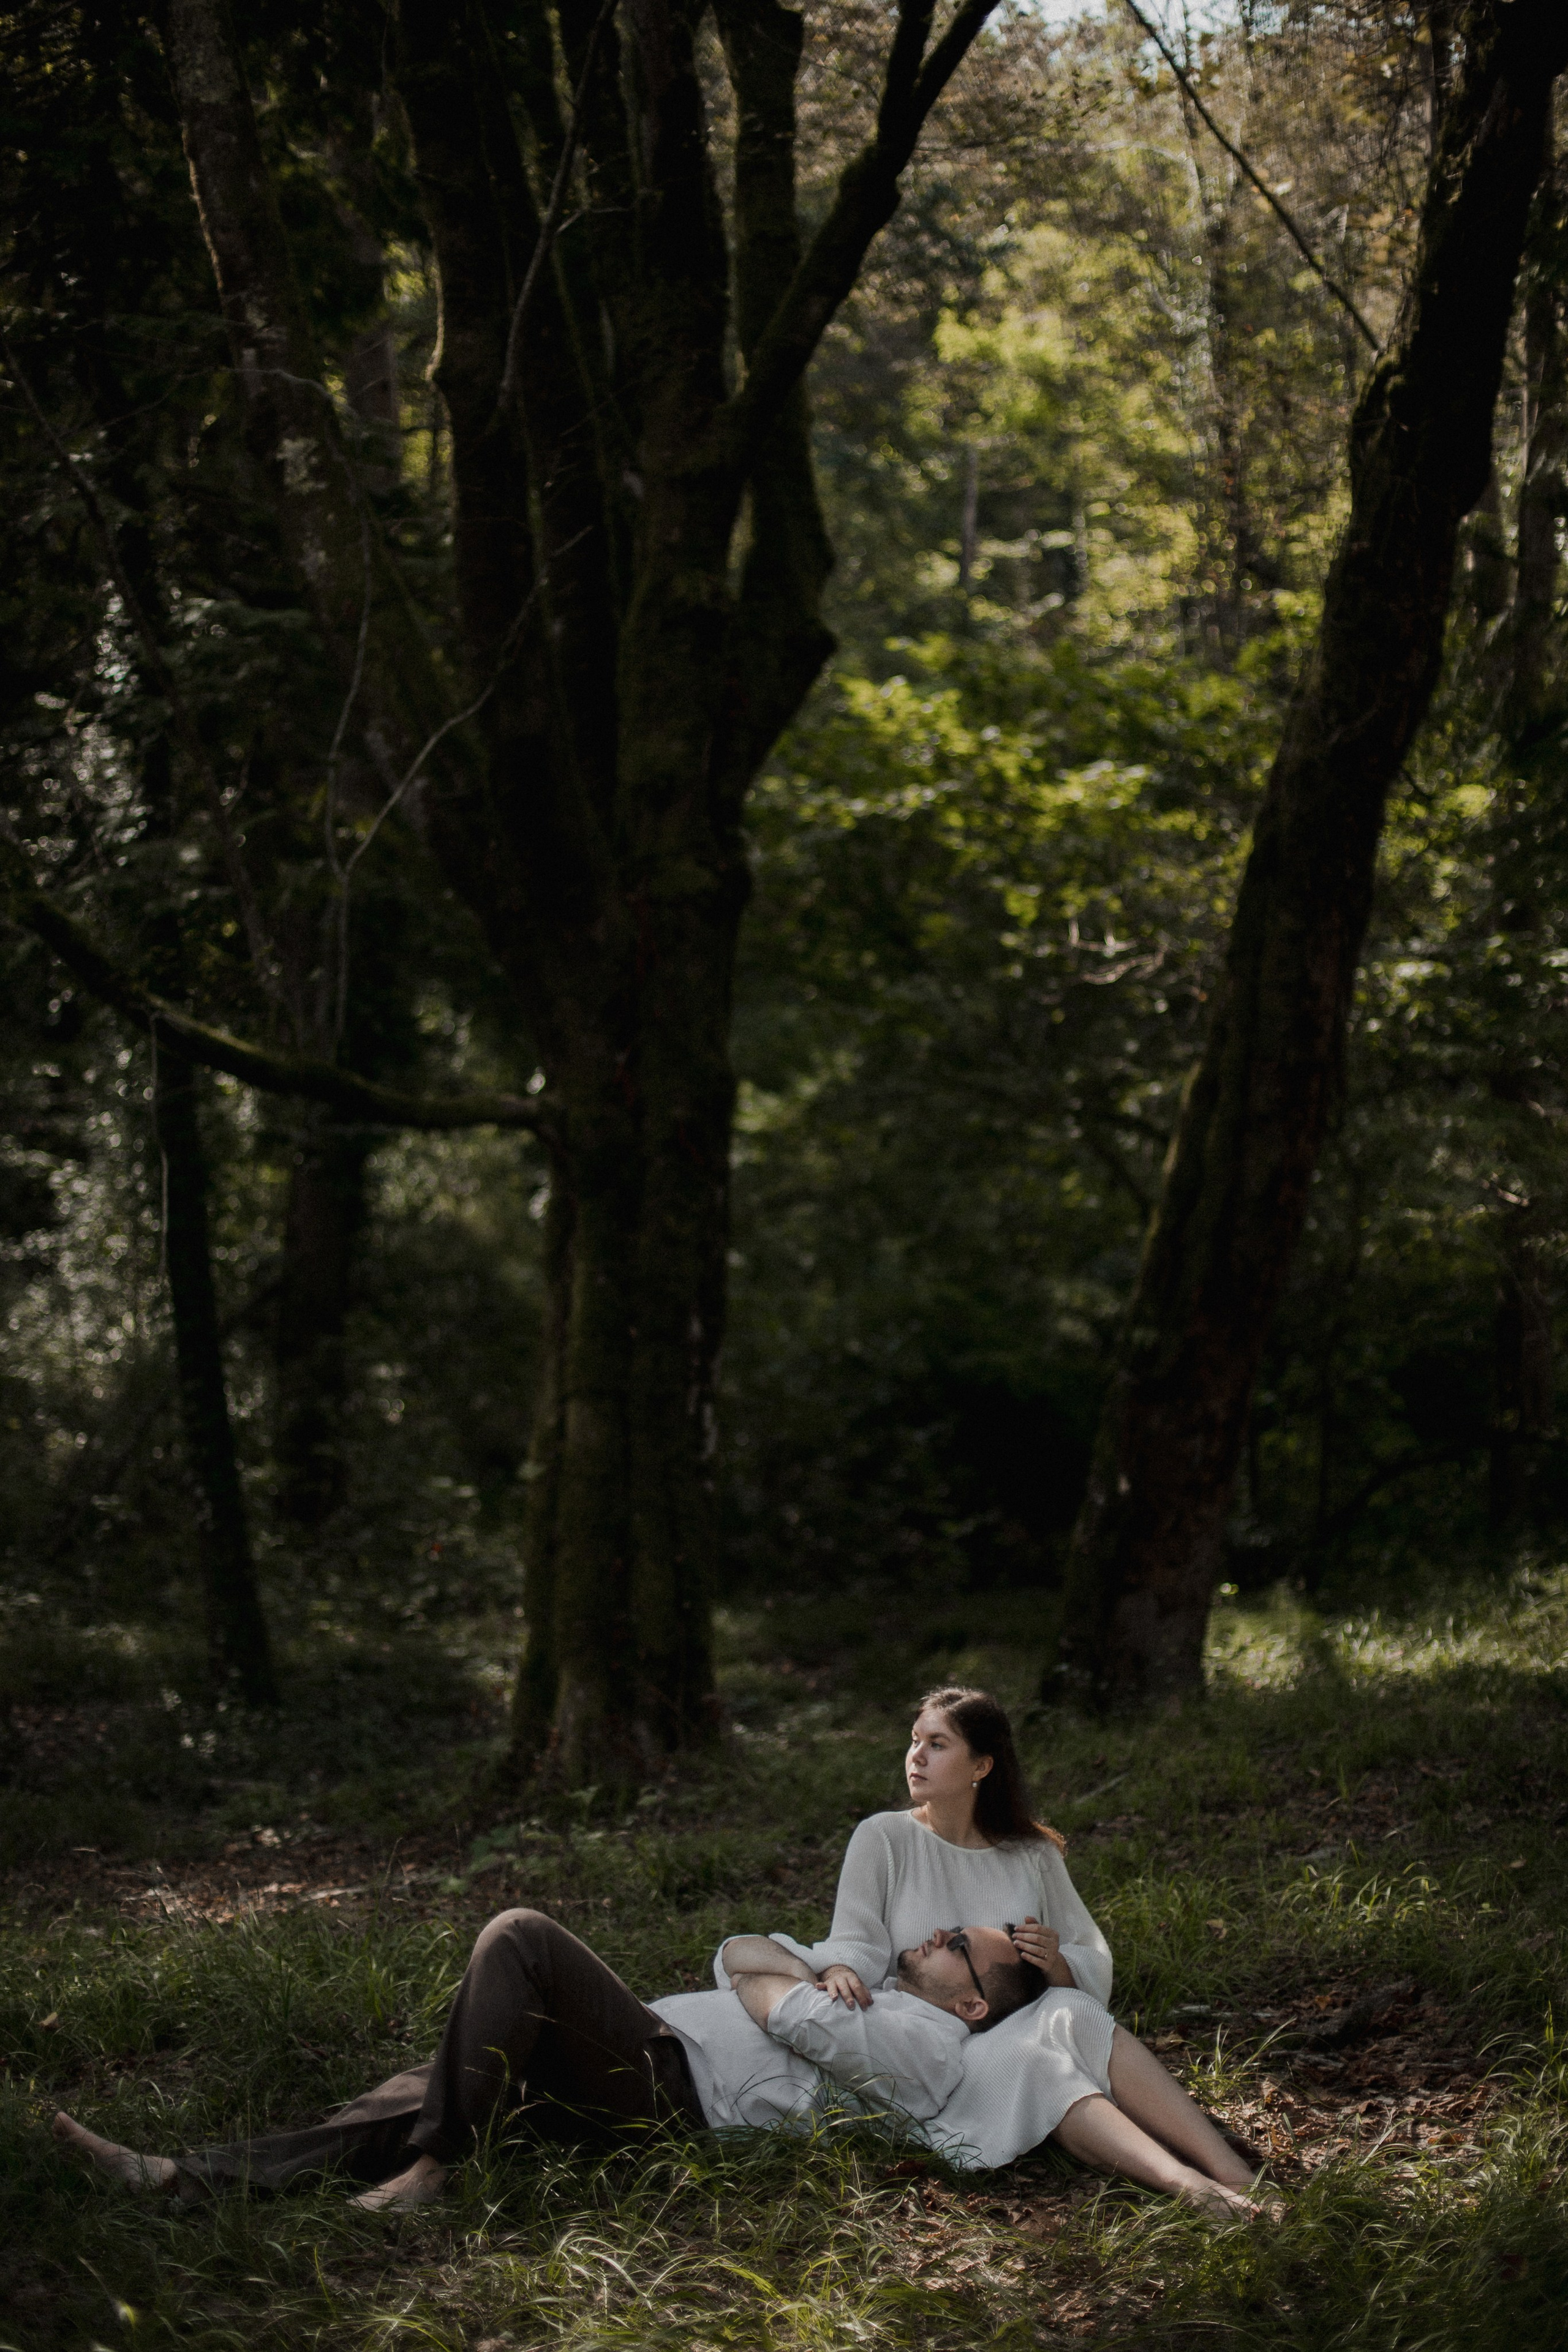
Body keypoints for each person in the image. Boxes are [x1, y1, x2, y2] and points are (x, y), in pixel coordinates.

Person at [722, 1684, 1261, 2210]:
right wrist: (834, 1966)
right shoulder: (884, 1838)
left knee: (1072, 2009)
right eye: (915, 1740)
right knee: (1042, 2062)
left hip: (1017, 2024)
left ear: (982, 1766)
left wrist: (1056, 1964)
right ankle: (1195, 2191)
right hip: (930, 2045)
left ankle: (1235, 2174)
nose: (916, 1756)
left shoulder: (1031, 1853)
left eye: (938, 1744)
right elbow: (857, 1944)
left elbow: (1088, 1957)